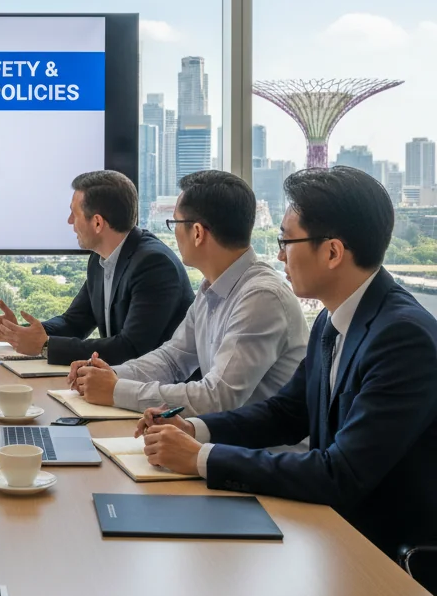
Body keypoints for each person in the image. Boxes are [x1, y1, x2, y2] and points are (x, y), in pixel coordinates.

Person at [139, 167, 437, 581]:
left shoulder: (403, 338)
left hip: (386, 562)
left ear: (332, 252)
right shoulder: (333, 320)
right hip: (330, 537)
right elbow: (285, 412)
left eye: (286, 241)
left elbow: (340, 474)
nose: (279, 255)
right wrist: (195, 429)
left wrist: (201, 459)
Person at [71, 170, 307, 415]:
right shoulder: (212, 289)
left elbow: (218, 396)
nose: (172, 233)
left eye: (174, 223)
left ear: (197, 232)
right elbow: (173, 359)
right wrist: (109, 375)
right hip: (222, 441)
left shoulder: (261, 298)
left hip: (257, 450)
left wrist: (116, 390)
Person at [0, 170, 194, 365]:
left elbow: (131, 349)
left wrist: (45, 346)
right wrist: (22, 333)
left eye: (75, 213)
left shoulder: (153, 265)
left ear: (98, 223)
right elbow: (75, 322)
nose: (70, 221)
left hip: (161, 397)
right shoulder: (100, 258)